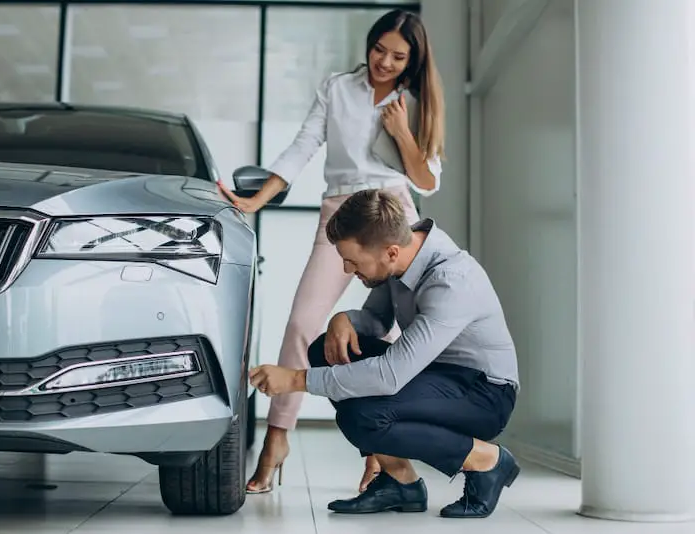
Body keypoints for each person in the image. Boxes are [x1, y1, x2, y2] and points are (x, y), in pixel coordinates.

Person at [218, 8, 447, 495]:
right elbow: (303, 145)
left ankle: (385, 456)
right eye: (379, 49)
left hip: (393, 215)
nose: (385, 61)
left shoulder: (418, 100)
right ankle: (276, 439)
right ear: (368, 45)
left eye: (398, 56)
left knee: (393, 336)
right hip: (340, 216)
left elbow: (428, 180)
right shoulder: (338, 87)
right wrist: (258, 199)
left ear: (413, 61)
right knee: (303, 323)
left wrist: (403, 132)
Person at [249, 189, 521, 519]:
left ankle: (486, 460)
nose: (348, 270)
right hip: (435, 374)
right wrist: (344, 319)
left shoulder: (452, 281)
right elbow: (377, 321)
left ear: (390, 252)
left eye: (353, 261)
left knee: (362, 417)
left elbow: (389, 375)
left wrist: (294, 379)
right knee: (328, 349)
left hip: (484, 393)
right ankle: (400, 482)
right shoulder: (403, 255)